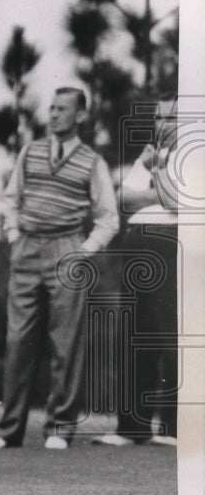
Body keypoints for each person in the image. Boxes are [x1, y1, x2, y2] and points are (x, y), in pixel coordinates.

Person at [0, 87, 119, 451]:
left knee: (66, 341)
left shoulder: (91, 161)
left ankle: (59, 428)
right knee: (17, 340)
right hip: (27, 246)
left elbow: (108, 219)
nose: (53, 114)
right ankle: (8, 430)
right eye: (51, 108)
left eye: (62, 109)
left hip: (67, 247)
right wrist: (13, 235)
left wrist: (82, 251)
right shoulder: (31, 151)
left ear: (81, 116)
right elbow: (11, 199)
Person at [92, 96, 180, 447]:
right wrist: (153, 182)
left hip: (169, 244)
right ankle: (131, 428)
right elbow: (124, 201)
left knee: (166, 335)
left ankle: (172, 428)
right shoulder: (148, 158)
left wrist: (153, 181)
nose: (163, 125)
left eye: (172, 118)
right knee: (132, 333)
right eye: (159, 118)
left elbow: (176, 201)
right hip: (137, 242)